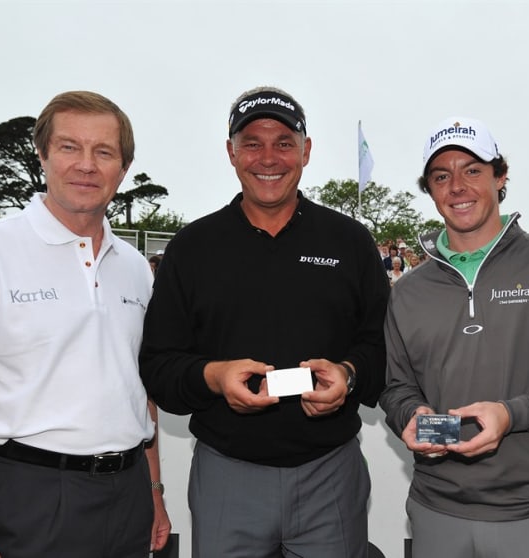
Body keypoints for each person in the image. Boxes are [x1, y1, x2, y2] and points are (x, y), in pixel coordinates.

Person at [0, 90, 171, 558]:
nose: (86, 165)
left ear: (123, 169)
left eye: (104, 152)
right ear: (42, 154)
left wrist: (154, 490)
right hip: (25, 497)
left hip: (128, 497)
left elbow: (141, 393)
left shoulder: (135, 268)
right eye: (69, 147)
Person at [140, 85, 389, 558]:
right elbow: (159, 365)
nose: (268, 158)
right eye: (252, 143)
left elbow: (381, 348)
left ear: (306, 151)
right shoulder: (193, 248)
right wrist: (214, 376)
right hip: (226, 474)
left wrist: (350, 375)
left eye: (283, 143)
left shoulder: (350, 242)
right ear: (231, 152)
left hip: (330, 474)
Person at [379, 117, 529, 558]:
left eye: (473, 170)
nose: (457, 186)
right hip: (435, 513)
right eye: (442, 176)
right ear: (430, 189)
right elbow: (396, 386)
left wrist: (511, 415)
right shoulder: (408, 290)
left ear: (501, 177)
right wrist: (411, 415)